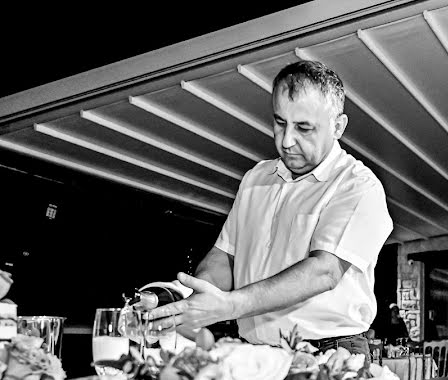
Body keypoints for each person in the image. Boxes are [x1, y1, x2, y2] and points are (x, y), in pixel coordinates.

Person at [147, 60, 392, 358]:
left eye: (303, 128)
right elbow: (225, 256)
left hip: (328, 353)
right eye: (280, 122)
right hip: (255, 353)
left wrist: (231, 305)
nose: (286, 141)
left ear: (338, 126)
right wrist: (187, 300)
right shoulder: (255, 179)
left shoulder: (358, 185)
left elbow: (323, 271)